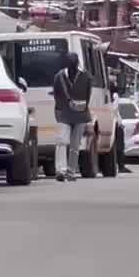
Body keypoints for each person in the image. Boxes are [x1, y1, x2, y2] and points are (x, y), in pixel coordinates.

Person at [53, 53, 92, 183]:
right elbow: (56, 94)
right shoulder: (59, 76)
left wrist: (82, 107)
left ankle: (71, 172)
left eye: (73, 64)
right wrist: (60, 108)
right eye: (70, 64)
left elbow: (88, 95)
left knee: (75, 145)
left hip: (80, 114)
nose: (72, 67)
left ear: (77, 64)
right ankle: (61, 170)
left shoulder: (85, 76)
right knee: (61, 141)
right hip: (64, 113)